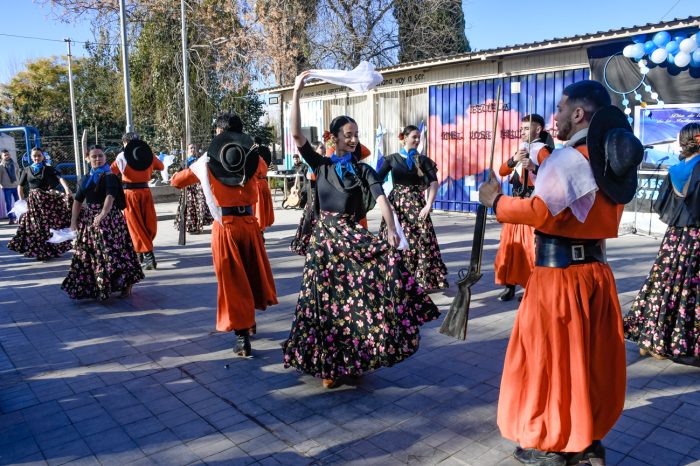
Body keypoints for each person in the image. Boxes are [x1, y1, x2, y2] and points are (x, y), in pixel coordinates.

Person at [478, 80, 643, 465]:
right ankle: (585, 437)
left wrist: (496, 201)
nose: (555, 116)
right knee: (585, 362)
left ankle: (553, 442)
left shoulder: (571, 158)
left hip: (560, 278)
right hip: (595, 274)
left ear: (579, 114)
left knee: (549, 360)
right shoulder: (607, 158)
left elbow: (540, 212)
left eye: (561, 108)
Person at [283, 71, 439, 389]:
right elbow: (296, 133)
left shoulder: (364, 169)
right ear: (335, 137)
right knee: (325, 305)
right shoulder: (321, 165)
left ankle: (355, 359)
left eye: (356, 134)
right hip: (325, 244)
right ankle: (329, 367)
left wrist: (392, 229)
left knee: (356, 300)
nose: (354, 139)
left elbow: (381, 198)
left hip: (350, 237)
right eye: (348, 134)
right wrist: (297, 91)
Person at [170, 113, 278, 357]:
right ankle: (247, 323)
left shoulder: (206, 161)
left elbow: (177, 181)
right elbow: (262, 167)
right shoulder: (255, 158)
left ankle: (241, 336)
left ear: (219, 134)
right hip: (250, 224)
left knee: (232, 282)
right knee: (250, 276)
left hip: (226, 227)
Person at [623, 122, 700, 363]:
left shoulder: (675, 169)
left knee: (664, 285)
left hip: (674, 238)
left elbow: (662, 206)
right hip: (696, 237)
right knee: (689, 289)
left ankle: (652, 340)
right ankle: (677, 341)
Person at [62, 145, 144, 300]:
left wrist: (103, 213)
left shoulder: (110, 176)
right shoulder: (86, 178)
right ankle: (98, 286)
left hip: (110, 220)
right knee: (91, 254)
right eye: (94, 156)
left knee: (113, 253)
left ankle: (126, 283)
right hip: (90, 222)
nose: (97, 159)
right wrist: (73, 222)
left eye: (100, 156)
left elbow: (110, 196)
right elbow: (78, 201)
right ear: (88, 159)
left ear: (105, 158)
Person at [377, 125, 448, 291]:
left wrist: (428, 205)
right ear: (404, 138)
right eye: (414, 137)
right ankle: (395, 277)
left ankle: (421, 279)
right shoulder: (391, 159)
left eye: (419, 137)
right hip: (397, 206)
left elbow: (434, 182)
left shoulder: (423, 160)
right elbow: (377, 181)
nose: (417, 140)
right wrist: (386, 203)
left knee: (420, 241)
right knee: (396, 239)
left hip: (417, 205)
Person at [494, 114, 553, 301]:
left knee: (529, 250)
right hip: (514, 204)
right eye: (522, 129)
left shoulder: (543, 150)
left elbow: (552, 173)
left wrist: (534, 167)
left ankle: (530, 286)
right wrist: (513, 160)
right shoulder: (520, 148)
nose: (522, 132)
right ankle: (509, 285)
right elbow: (503, 171)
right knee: (509, 247)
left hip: (530, 205)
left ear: (538, 129)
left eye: (527, 128)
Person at [110, 133, 164, 270]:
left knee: (135, 226)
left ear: (124, 144)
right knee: (147, 224)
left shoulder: (122, 156)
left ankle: (148, 256)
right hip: (146, 193)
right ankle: (140, 252)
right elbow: (161, 166)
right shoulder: (148, 154)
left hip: (130, 194)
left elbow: (111, 170)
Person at [7, 148, 73, 260]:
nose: (36, 158)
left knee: (50, 225)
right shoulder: (27, 170)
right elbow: (20, 186)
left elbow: (59, 178)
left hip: (48, 202)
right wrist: (21, 200)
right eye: (34, 156)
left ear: (43, 156)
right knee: (36, 226)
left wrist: (67, 188)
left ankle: (54, 249)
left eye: (39, 155)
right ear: (31, 157)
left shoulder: (48, 169)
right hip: (34, 203)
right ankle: (40, 251)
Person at [290, 142, 324, 256]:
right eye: (321, 147)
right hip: (314, 196)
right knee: (312, 219)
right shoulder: (313, 163)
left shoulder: (324, 161)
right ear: (315, 150)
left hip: (322, 195)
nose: (324, 148)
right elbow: (310, 177)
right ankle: (311, 244)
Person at [174, 143, 213, 234]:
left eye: (194, 148)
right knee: (190, 206)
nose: (193, 150)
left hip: (198, 187)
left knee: (200, 205)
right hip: (188, 187)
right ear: (187, 150)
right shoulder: (185, 162)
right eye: (191, 148)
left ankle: (199, 226)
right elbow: (178, 172)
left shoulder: (199, 160)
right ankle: (191, 226)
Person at [251, 139, 275, 234]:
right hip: (263, 182)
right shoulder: (266, 151)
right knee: (263, 209)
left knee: (256, 210)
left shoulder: (253, 155)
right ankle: (261, 231)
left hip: (255, 184)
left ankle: (258, 231)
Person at [0, 149, 20, 224]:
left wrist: (19, 183)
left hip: (16, 187)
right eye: (5, 155)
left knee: (18, 203)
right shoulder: (1, 166)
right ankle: (11, 218)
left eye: (8, 154)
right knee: (8, 204)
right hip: (6, 187)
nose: (7, 156)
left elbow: (18, 174)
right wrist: (1, 185)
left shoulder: (15, 164)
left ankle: (18, 218)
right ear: (2, 157)